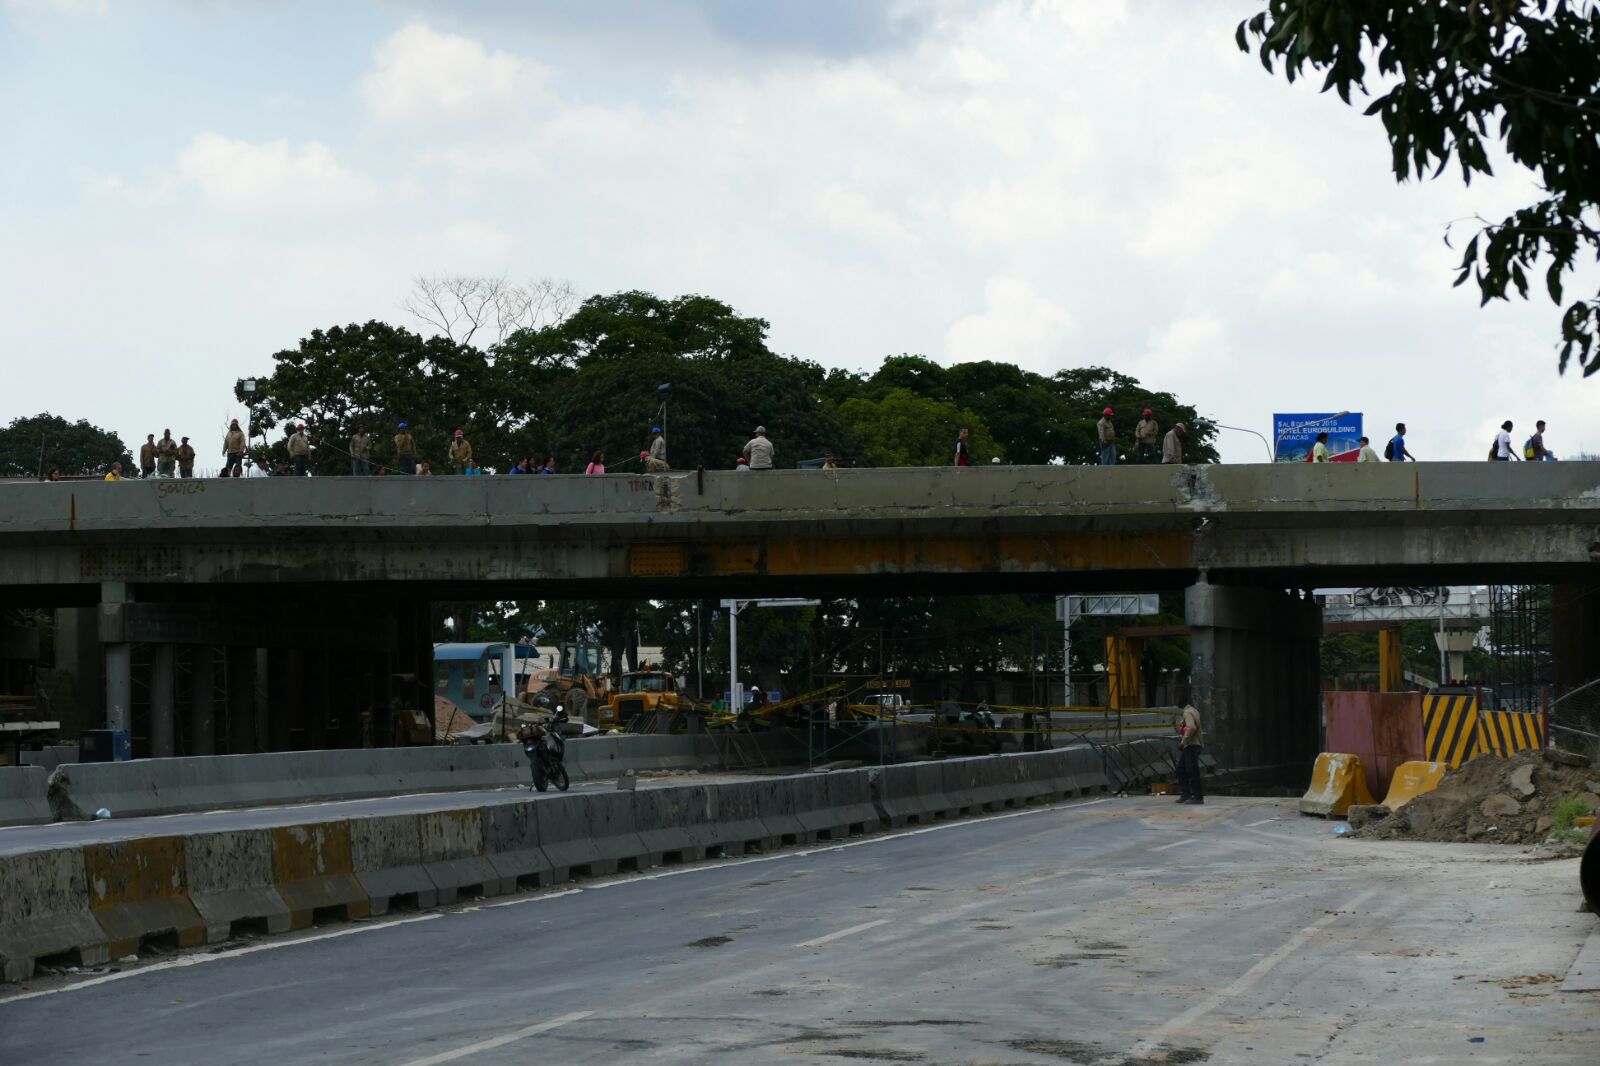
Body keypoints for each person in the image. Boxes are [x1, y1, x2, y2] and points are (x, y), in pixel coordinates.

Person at [1175, 704, 1204, 804]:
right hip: (1192, 745)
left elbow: (1191, 727)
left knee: (1191, 771)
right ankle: (1186, 794)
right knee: (1181, 769)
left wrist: (1183, 741)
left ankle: (1197, 797)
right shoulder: (1194, 711)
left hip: (1190, 745)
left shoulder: (1187, 712)